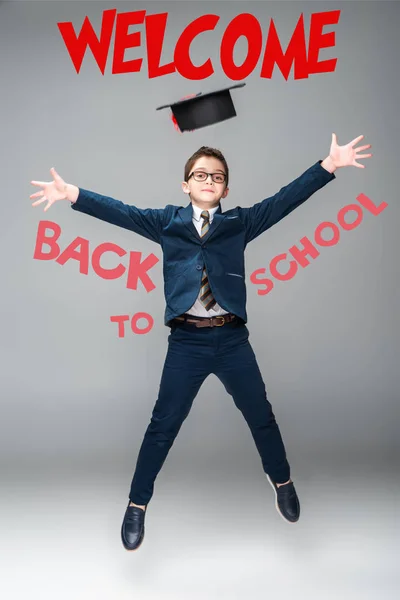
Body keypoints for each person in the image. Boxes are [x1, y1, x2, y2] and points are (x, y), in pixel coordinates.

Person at [30, 134, 372, 551]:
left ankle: (281, 481)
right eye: (200, 174)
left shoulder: (239, 223)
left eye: (217, 176)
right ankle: (137, 505)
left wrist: (328, 165)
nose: (208, 180)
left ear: (226, 189)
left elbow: (285, 200)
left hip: (232, 339)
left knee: (261, 416)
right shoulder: (167, 222)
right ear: (185, 184)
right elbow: (120, 212)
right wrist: (71, 193)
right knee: (163, 426)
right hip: (186, 343)